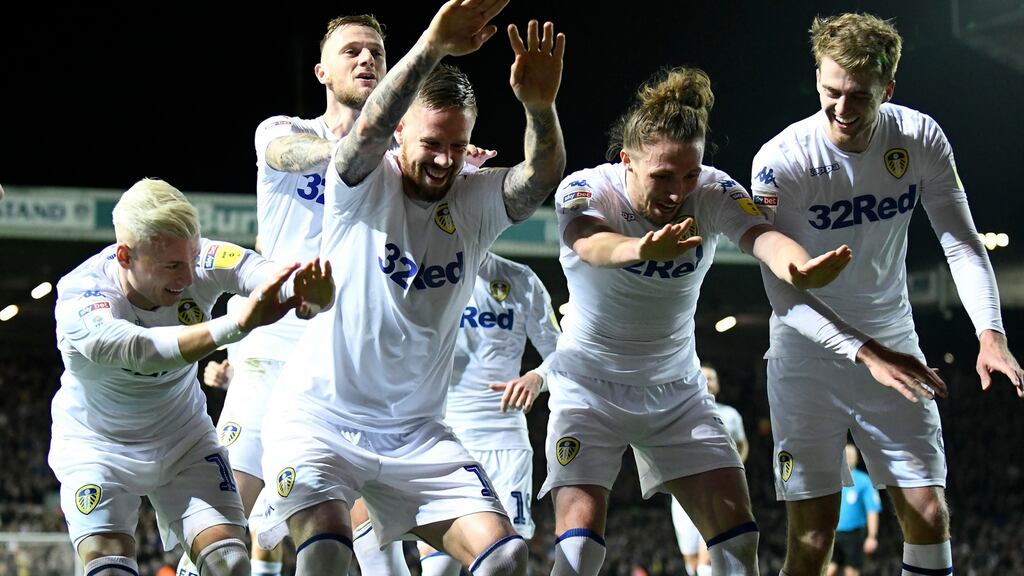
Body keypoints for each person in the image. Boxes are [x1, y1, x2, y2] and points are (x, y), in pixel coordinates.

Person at [250, 0, 566, 574]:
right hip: (320, 420)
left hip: (418, 435)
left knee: (507, 558)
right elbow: (363, 132)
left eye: (455, 145)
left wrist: (539, 108)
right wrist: (432, 46)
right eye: (430, 144)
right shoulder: (362, 181)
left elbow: (539, 176)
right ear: (400, 134)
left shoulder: (473, 199)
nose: (445, 160)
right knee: (326, 557)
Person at [543, 65, 853, 576]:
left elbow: (760, 235)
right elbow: (587, 241)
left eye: (689, 174)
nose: (677, 191)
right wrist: (639, 248)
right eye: (662, 176)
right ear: (626, 161)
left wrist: (796, 264)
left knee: (739, 539)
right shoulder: (586, 187)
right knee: (578, 549)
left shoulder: (711, 191)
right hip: (588, 387)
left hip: (676, 390)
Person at [749, 12, 1023, 576]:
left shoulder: (919, 138)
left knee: (928, 511)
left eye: (859, 96)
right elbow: (782, 293)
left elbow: (962, 242)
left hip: (894, 341)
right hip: (807, 355)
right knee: (812, 537)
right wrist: (863, 353)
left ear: (888, 89)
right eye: (830, 92)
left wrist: (989, 334)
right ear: (817, 78)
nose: (843, 109)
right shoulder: (781, 161)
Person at [48, 178, 333, 576]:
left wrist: (302, 292)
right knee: (110, 569)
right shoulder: (81, 296)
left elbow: (254, 268)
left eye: (192, 258)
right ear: (125, 256)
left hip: (183, 438)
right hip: (98, 446)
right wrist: (238, 323)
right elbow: (143, 351)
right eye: (172, 266)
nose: (186, 277)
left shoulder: (194, 259)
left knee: (231, 563)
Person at [418, 251, 561, 576]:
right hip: (443, 440)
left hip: (504, 442)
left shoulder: (520, 279)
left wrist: (536, 378)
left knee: (507, 562)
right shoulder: (424, 274)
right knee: (438, 569)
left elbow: (561, 354)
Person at [670, 364, 748, 576]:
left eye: (711, 378)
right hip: (685, 491)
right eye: (701, 377)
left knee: (709, 551)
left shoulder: (730, 415)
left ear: (718, 385)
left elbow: (742, 445)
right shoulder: (679, 414)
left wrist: (734, 470)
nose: (706, 381)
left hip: (717, 489)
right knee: (690, 558)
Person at [827, 444, 881, 576]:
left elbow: (872, 510)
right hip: (833, 533)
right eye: (846, 455)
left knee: (851, 570)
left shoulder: (863, 481)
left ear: (856, 458)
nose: (848, 458)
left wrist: (872, 536)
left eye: (851, 455)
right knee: (829, 569)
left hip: (854, 534)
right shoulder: (832, 479)